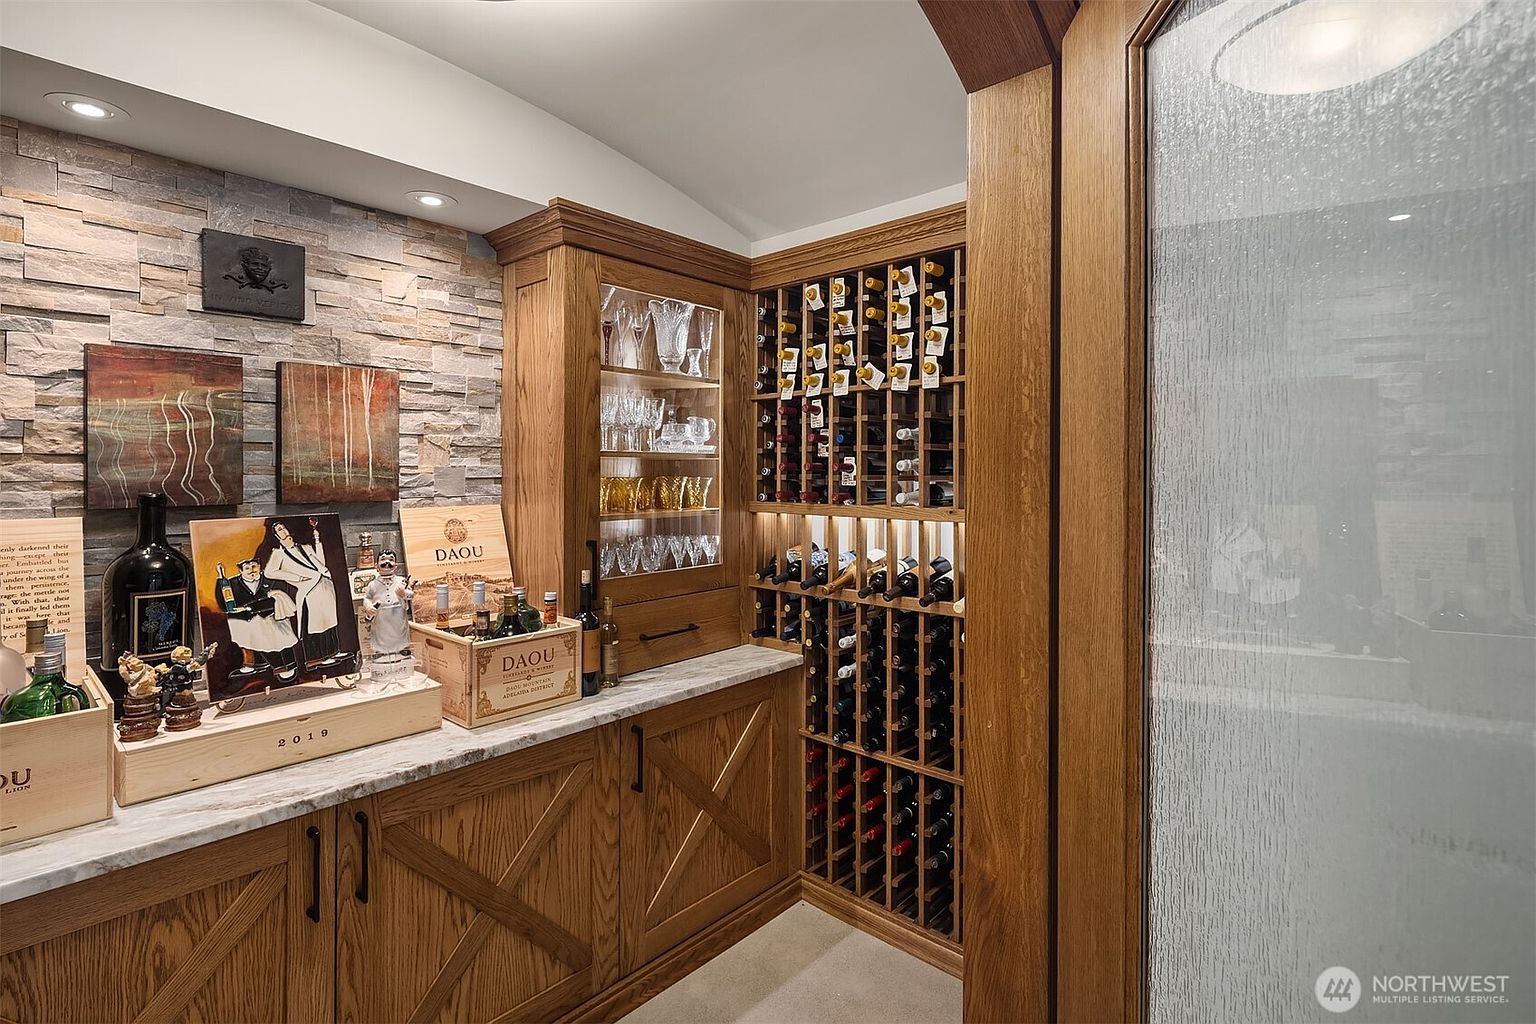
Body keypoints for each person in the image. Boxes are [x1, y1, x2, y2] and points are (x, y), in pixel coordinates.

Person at [264, 518, 349, 668]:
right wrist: (296, 578)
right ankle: (316, 658)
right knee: (314, 624)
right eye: (279, 530)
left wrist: (317, 541)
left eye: (283, 527)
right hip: (308, 590)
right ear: (276, 536)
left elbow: (321, 563)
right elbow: (269, 572)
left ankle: (333, 651)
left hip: (324, 585)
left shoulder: (305, 547)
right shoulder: (278, 554)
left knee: (330, 620)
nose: (283, 531)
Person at [225, 559, 300, 681]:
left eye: (254, 566)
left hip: (271, 615)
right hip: (246, 619)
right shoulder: (232, 583)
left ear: (260, 566)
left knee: (275, 634)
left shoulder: (272, 579)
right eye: (247, 568)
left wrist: (250, 608)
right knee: (244, 629)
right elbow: (226, 603)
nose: (251, 570)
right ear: (240, 571)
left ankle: (286, 666)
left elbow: (277, 599)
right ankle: (254, 664)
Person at [361, 551, 414, 659]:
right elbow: (367, 598)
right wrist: (368, 606)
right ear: (376, 565)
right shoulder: (373, 584)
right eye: (383, 559)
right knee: (381, 633)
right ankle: (381, 651)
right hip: (381, 616)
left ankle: (402, 648)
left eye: (391, 560)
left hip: (398, 614)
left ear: (396, 565)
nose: (387, 562)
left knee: (400, 632)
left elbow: (411, 595)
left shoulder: (401, 581)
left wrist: (404, 594)